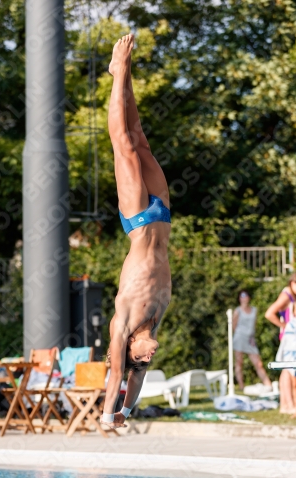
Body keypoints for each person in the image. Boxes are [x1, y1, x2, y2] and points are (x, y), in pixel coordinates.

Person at [100, 34, 171, 429]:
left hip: (140, 220)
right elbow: (135, 379)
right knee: (140, 138)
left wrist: (108, 417)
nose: (148, 357)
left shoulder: (123, 323)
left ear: (128, 347)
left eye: (141, 357)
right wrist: (128, 412)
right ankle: (123, 74)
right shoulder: (154, 320)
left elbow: (117, 375)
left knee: (123, 143)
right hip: (162, 214)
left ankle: (119, 72)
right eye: (146, 360)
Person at [265, 272, 296, 413]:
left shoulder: (293, 296)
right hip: (289, 337)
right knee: (287, 371)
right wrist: (284, 326)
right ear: (291, 283)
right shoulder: (286, 295)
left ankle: (286, 404)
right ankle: (287, 405)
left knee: (288, 371)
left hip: (292, 337)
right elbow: (269, 313)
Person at [233, 290, 272, 392]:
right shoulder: (237, 311)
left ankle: (268, 385)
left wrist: (252, 337)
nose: (244, 298)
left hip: (250, 339)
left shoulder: (254, 310)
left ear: (249, 297)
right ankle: (241, 386)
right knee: (239, 362)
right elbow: (234, 326)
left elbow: (253, 325)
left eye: (245, 296)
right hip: (239, 338)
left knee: (258, 363)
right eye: (242, 296)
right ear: (239, 298)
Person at [275, 299, 296, 417]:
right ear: (294, 312)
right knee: (295, 385)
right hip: (293, 359)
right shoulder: (291, 325)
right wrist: (281, 357)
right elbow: (286, 343)